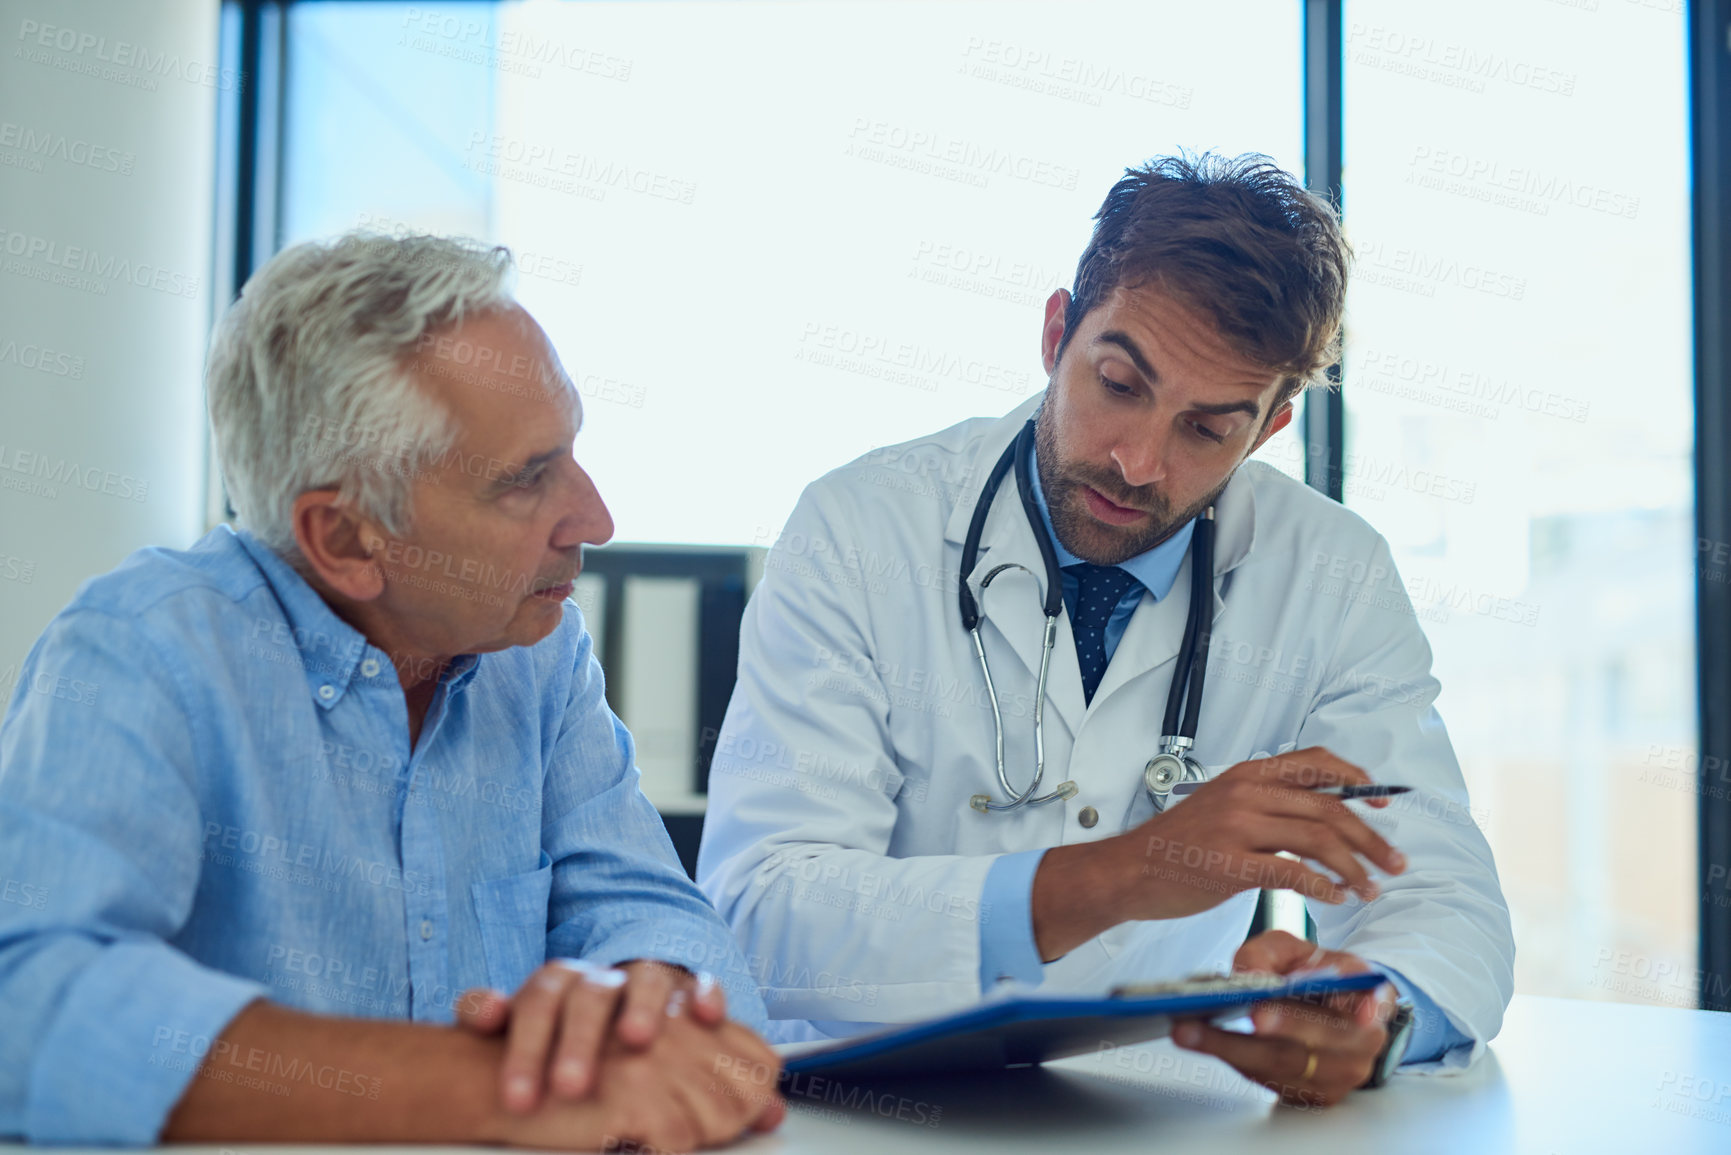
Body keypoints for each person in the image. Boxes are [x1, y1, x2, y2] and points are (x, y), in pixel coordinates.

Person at [697, 153, 1514, 1107]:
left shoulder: (1332, 574)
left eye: (1206, 430)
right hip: (856, 1107)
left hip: (1151, 1109)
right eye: (1119, 384)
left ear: (1268, 428)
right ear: (1056, 334)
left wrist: (1376, 1018)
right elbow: (761, 913)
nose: (1136, 462)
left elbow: (1437, 892)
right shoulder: (859, 527)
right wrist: (1128, 872)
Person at [0, 233, 783, 1148]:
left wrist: (648, 1009)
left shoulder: (536, 651)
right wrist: (490, 1086)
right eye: (526, 480)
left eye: (569, 453)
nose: (594, 519)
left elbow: (649, 914)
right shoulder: (144, 650)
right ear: (344, 538)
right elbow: (30, 1000)